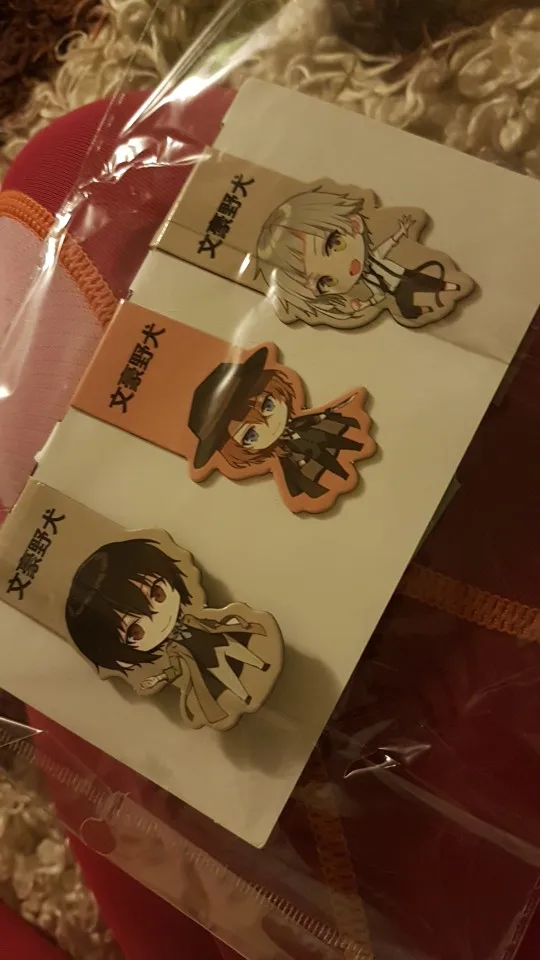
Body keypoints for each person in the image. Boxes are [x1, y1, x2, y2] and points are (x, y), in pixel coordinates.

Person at [65, 538, 272, 728]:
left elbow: (211, 624)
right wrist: (158, 678)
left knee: (239, 650)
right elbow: (175, 670)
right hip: (209, 661)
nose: (157, 617)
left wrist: (231, 622)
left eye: (157, 594)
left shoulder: (190, 619)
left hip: (219, 639)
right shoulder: (174, 650)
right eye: (135, 632)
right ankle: (245, 696)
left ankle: (262, 664)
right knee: (225, 675)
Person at [188, 346, 375, 508]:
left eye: (268, 405)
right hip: (305, 474)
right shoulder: (291, 471)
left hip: (328, 433)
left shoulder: (321, 421)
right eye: (250, 435)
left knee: (345, 441)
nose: (269, 425)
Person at [255, 186, 464, 327]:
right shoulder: (369, 286)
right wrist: (363, 305)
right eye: (325, 281)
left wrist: (401, 231)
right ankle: (427, 306)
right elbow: (378, 297)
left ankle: (452, 286)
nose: (342, 269)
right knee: (408, 309)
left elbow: (387, 246)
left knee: (428, 283)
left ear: (355, 224)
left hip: (404, 275)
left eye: (334, 243)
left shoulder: (376, 256)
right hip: (396, 292)